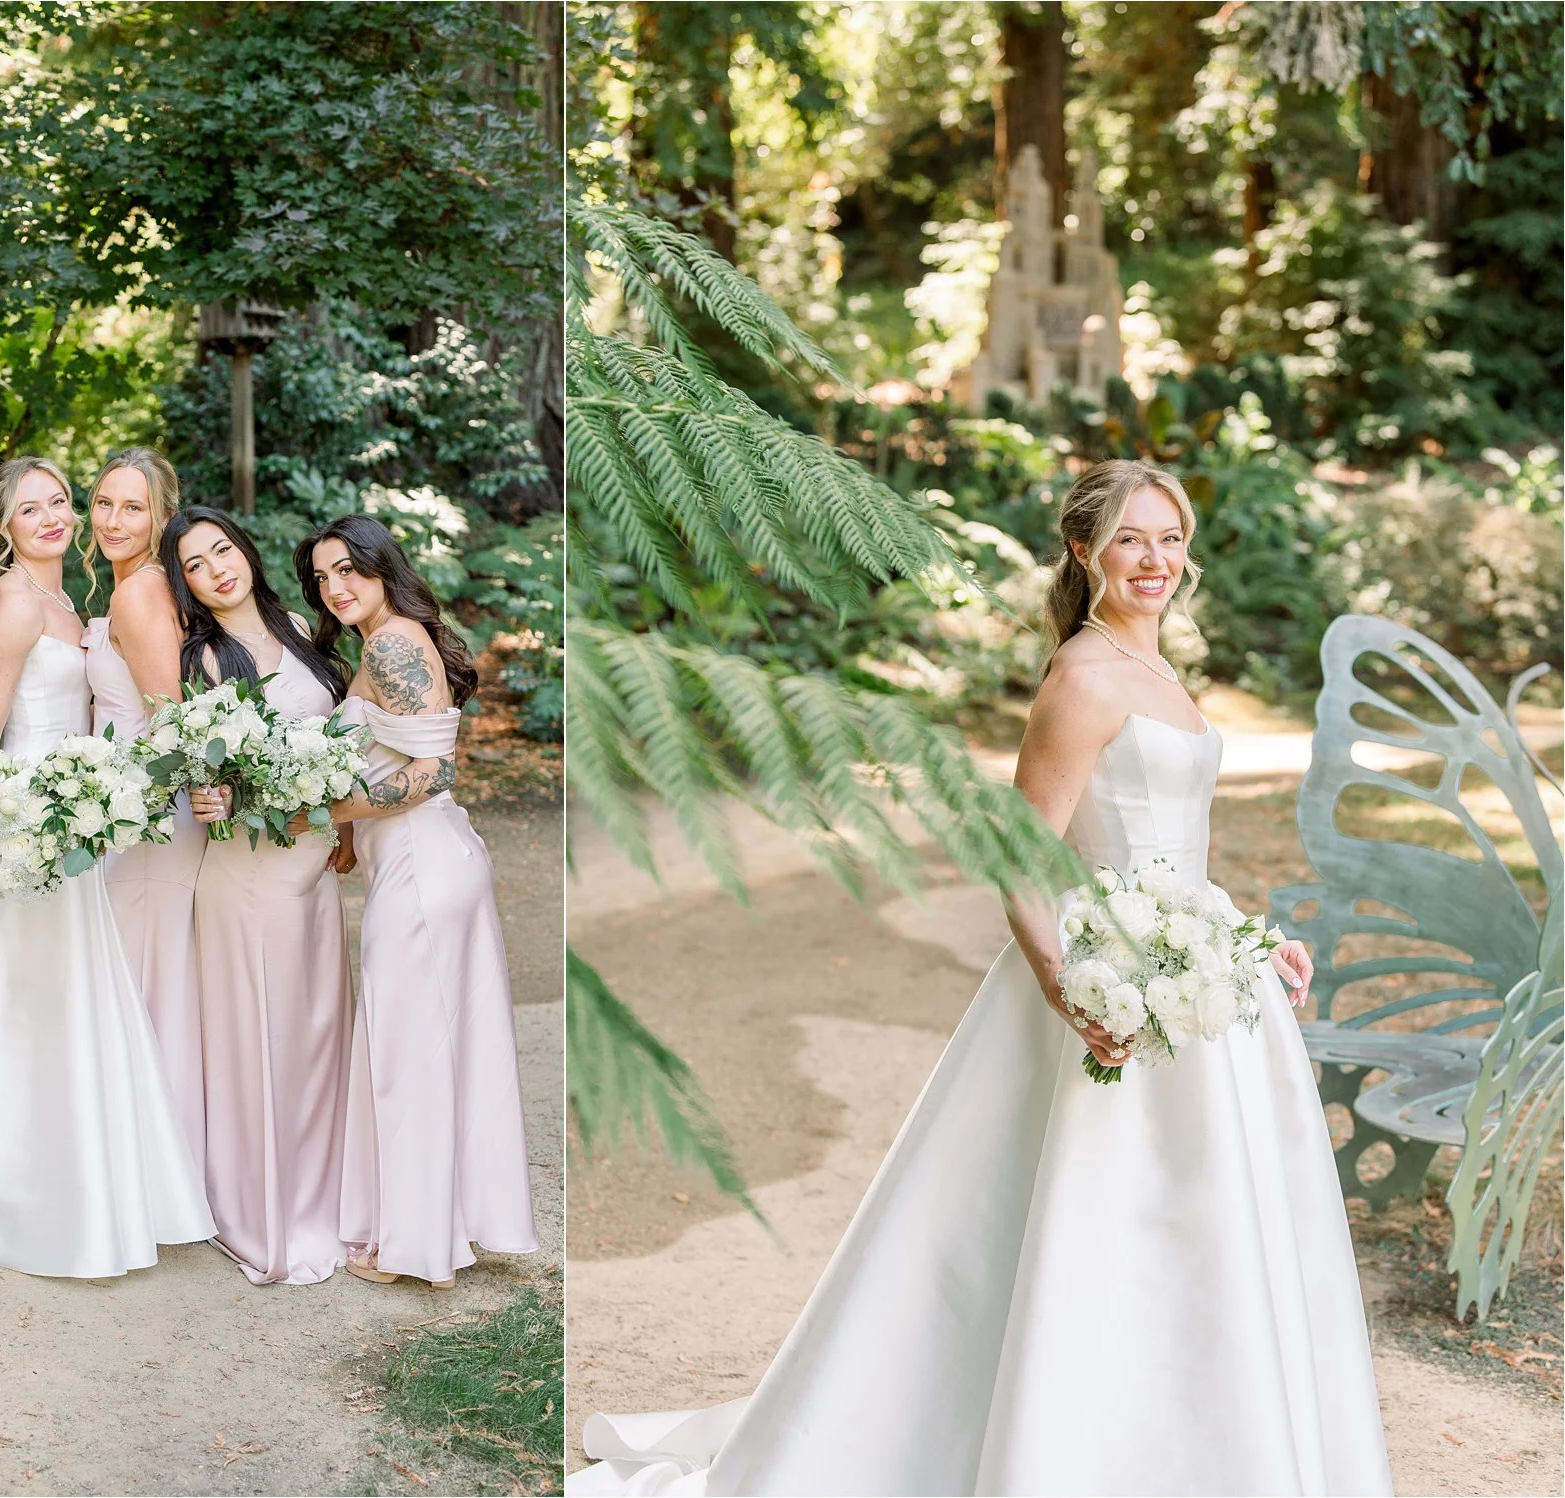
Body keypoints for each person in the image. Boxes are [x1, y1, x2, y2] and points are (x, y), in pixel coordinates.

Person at [569, 459, 1391, 1496]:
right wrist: (1072, 991)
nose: (1154, 560)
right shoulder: (1083, 676)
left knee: (1201, 1230)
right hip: (1101, 983)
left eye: (1170, 538)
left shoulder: (1165, 674)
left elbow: (1170, 849)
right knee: (1083, 1221)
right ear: (1086, 550)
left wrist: (1249, 942)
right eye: (1130, 539)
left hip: (1189, 969)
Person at [0, 456, 213, 1279]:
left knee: (62, 1011)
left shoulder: (73, 602)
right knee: (7, 1009)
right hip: (28, 823)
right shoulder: (13, 600)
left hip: (79, 818)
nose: (54, 518)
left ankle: (72, 1194)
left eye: (61, 502)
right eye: (31, 509)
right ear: (2, 527)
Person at [297, 514, 539, 1290]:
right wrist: (344, 835)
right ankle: (435, 1227)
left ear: (380, 568)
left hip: (423, 869)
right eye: (323, 578)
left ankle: (415, 1248)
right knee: (430, 1050)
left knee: (410, 1060)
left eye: (348, 572)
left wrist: (321, 814)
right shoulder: (389, 639)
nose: (335, 588)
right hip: (421, 862)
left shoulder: (393, 643)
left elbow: (433, 774)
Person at [168, 506, 355, 1284]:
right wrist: (210, 796)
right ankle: (269, 1212)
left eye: (223, 549)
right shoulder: (208, 661)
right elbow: (207, 772)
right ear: (188, 586)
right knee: (265, 1042)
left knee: (317, 1043)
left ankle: (329, 1198)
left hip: (312, 876)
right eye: (197, 564)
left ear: (246, 549)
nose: (217, 568)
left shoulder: (309, 639)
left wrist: (343, 832)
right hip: (252, 879)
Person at [83, 448, 207, 1173]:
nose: (113, 520)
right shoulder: (136, 587)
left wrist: (115, 808)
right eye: (103, 503)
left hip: (147, 822)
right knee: (143, 988)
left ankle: (152, 1173)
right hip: (133, 816)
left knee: (143, 991)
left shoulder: (139, 593)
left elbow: (174, 722)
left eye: (133, 507)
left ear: (161, 517)